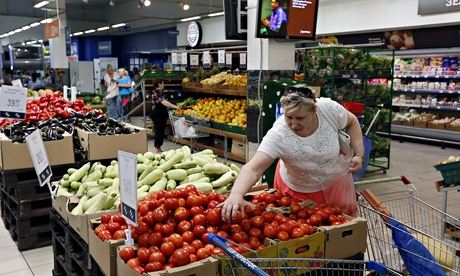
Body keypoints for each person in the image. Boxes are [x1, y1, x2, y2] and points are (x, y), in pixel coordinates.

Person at [220, 84, 364, 221]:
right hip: (298, 190)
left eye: (300, 118)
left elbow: (352, 122)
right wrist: (236, 194)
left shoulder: (327, 109)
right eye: (289, 117)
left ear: (314, 111)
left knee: (341, 228)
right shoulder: (279, 133)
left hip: (336, 184)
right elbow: (253, 168)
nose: (294, 124)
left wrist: (359, 154)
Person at [151, 79, 180, 153]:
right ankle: (157, 149)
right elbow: (164, 102)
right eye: (163, 83)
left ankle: (159, 147)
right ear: (159, 84)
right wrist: (174, 106)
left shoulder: (158, 92)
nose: (164, 85)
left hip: (160, 114)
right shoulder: (157, 92)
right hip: (158, 114)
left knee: (161, 131)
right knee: (159, 131)